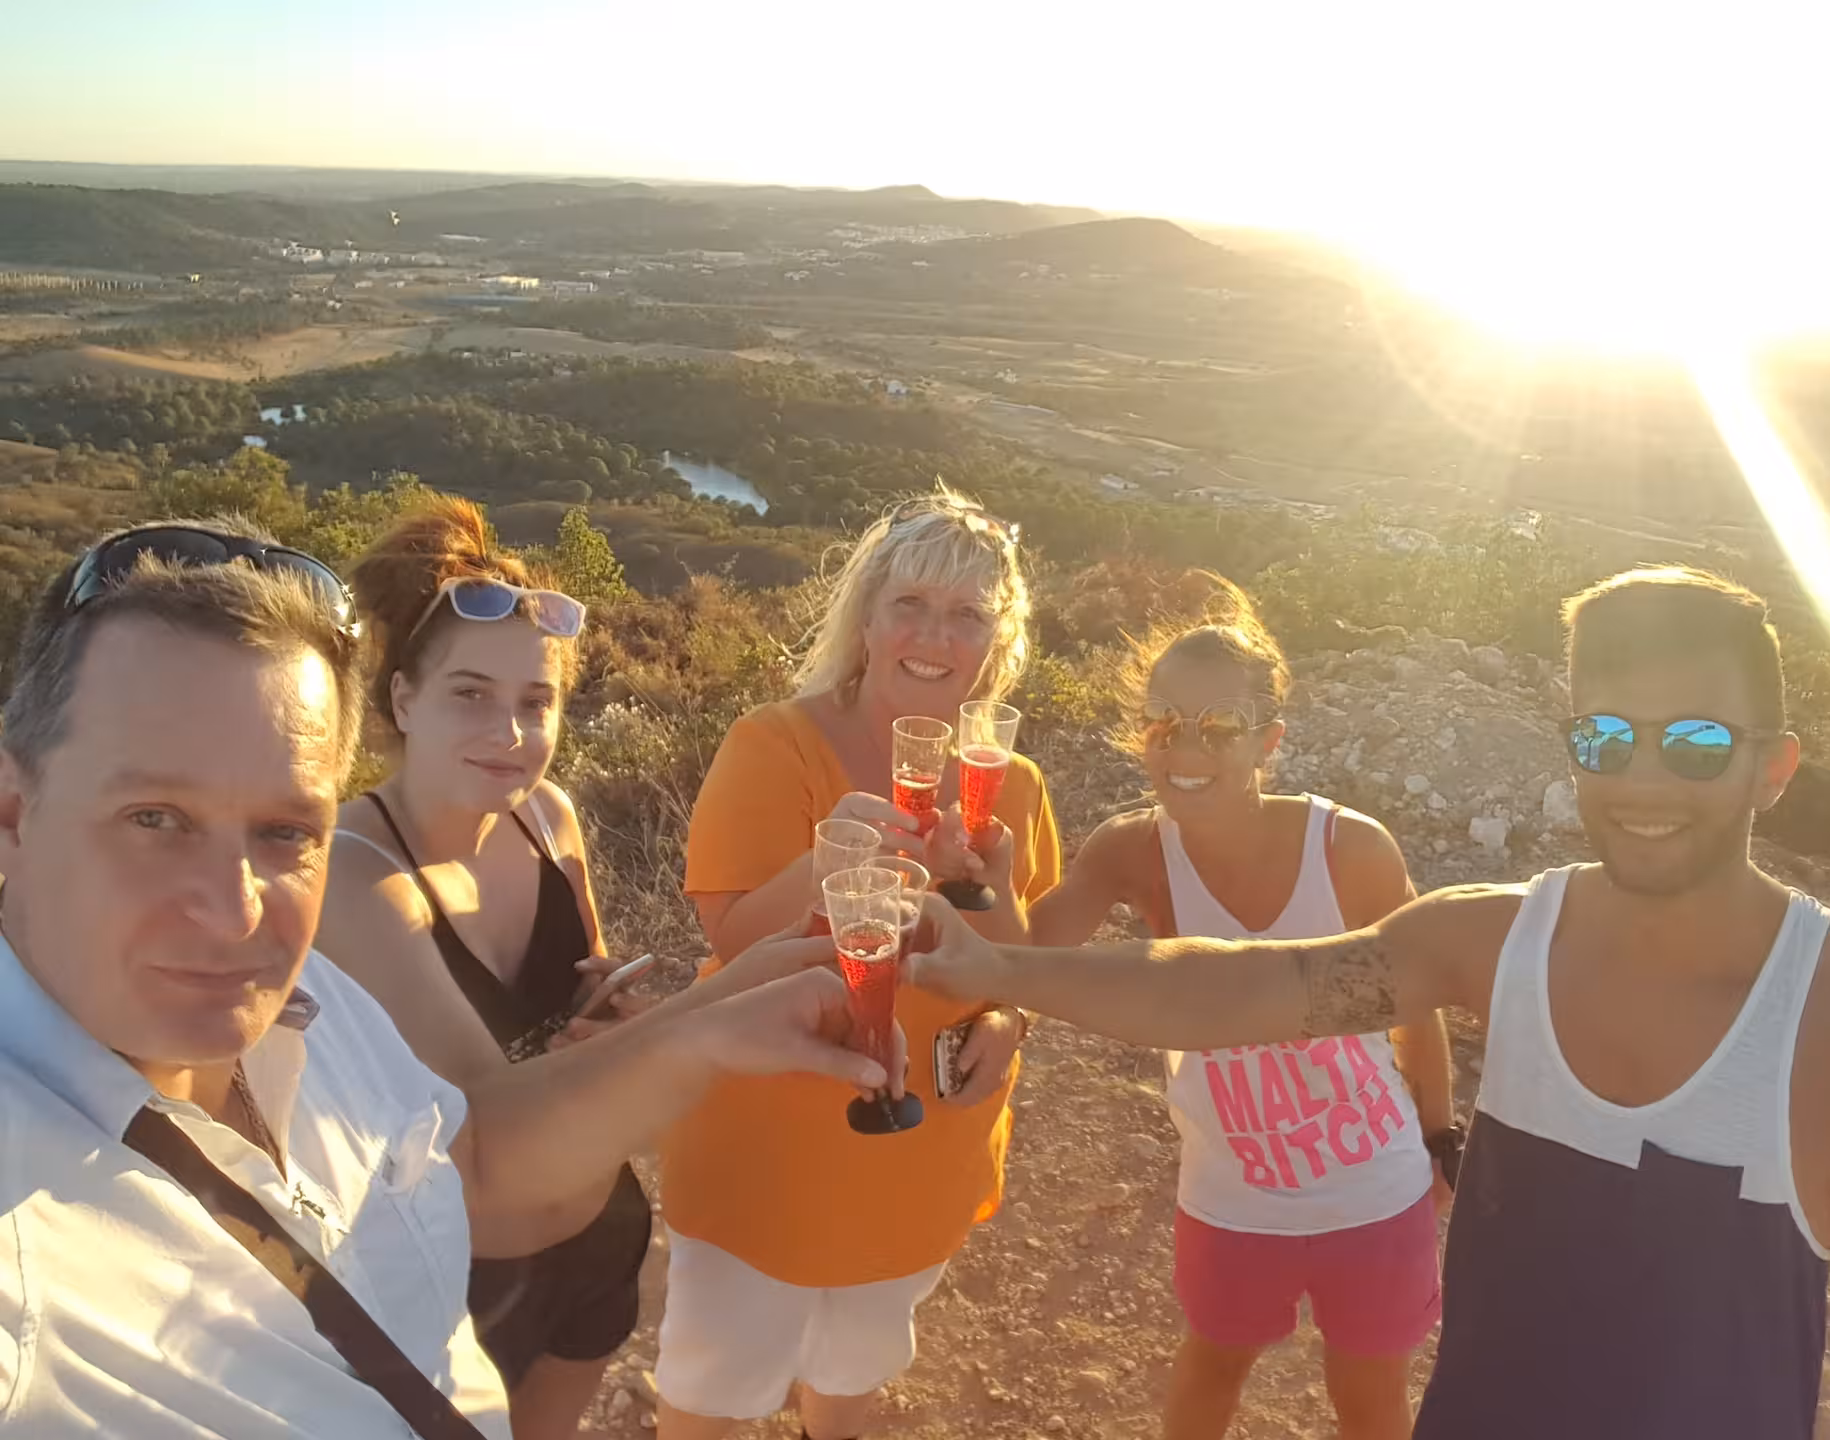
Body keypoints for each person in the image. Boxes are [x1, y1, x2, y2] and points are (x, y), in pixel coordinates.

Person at [911, 566, 1830, 1440]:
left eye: (1696, 743)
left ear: (1774, 767)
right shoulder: (1490, 941)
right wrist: (999, 971)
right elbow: (1246, 986)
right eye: (1606, 737)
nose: (1642, 778)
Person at [0, 519, 901, 1438]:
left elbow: (473, 1155)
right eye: (155, 818)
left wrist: (716, 1015)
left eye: (284, 832)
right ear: (11, 813)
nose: (235, 914)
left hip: (584, 1231)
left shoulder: (315, 1004)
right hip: (510, 1272)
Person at [655, 488, 1062, 1440]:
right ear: (868, 619)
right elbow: (730, 940)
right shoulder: (778, 743)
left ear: (994, 643)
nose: (933, 636)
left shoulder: (1014, 785)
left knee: (854, 1372)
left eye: (966, 615)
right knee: (714, 1389)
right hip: (770, 1149)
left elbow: (1018, 963)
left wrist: (1007, 1019)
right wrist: (825, 856)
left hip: (921, 1147)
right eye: (910, 606)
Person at [1025, 578, 1452, 1440]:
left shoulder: (1349, 853)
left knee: (1368, 1401)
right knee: (1211, 1372)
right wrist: (974, 868)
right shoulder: (1133, 851)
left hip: (1372, 1190)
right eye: (1163, 724)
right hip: (1229, 1197)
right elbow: (1023, 961)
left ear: (1268, 742)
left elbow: (1418, 1005)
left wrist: (1443, 1138)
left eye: (1218, 728)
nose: (1186, 747)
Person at [314, 496, 649, 1440]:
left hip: (598, 1225)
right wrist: (705, 1035)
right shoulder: (355, 874)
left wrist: (607, 1013)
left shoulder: (549, 818)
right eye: (471, 694)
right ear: (402, 699)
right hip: (455, 1283)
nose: (511, 734)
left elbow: (584, 980)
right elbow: (485, 1115)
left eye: (535, 703)